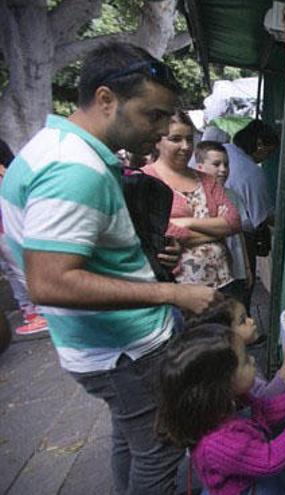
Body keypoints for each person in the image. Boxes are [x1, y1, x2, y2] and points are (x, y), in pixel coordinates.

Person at [0, 42, 218, 493]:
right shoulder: (73, 169)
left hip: (106, 347)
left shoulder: (52, 147)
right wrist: (172, 293)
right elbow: (51, 280)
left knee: (133, 442)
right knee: (160, 452)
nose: (160, 132)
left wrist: (144, 263)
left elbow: (79, 255)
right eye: (152, 115)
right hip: (126, 351)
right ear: (105, 100)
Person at [156, 325, 285, 495]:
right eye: (246, 360)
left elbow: (264, 410)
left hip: (254, 476)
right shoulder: (218, 444)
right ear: (221, 383)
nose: (253, 360)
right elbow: (270, 459)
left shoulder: (230, 401)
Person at [143, 112, 242, 291]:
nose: (186, 146)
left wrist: (186, 223)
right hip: (176, 290)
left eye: (189, 139)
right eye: (176, 139)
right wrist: (218, 231)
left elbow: (234, 222)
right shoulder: (144, 180)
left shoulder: (206, 180)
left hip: (223, 283)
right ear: (157, 141)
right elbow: (162, 235)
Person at [183, 294, 285, 398]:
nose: (251, 321)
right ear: (224, 333)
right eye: (243, 321)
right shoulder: (236, 371)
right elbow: (265, 400)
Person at [224, 120, 278, 309]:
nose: (265, 158)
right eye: (268, 152)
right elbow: (261, 216)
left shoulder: (224, 150)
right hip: (238, 238)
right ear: (259, 144)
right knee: (241, 289)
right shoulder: (251, 172)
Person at [194, 141, 253, 305]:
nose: (223, 170)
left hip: (237, 270)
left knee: (238, 312)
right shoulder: (196, 199)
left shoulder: (232, 196)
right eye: (216, 164)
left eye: (226, 164)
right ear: (199, 167)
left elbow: (240, 234)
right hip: (209, 274)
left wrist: (247, 267)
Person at [0, 139, 48, 335]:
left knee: (19, 268)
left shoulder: (8, 173)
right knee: (11, 271)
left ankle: (43, 312)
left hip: (6, 225)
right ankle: (30, 312)